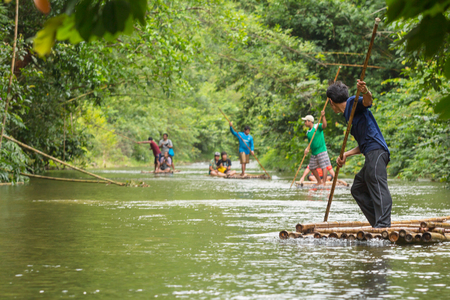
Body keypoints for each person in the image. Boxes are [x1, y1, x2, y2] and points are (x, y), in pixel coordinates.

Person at [327, 80, 392, 228]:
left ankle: (383, 226)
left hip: (377, 152)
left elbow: (368, 102)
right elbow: (363, 145)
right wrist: (346, 154)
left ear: (331, 101)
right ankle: (377, 223)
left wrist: (364, 91)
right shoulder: (348, 114)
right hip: (370, 152)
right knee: (357, 188)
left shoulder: (352, 102)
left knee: (378, 185)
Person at [301, 111, 331, 185]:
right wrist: (307, 149)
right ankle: (319, 181)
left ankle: (323, 182)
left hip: (321, 150)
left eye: (305, 121)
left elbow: (324, 126)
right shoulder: (308, 132)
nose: (304, 123)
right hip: (314, 152)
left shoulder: (317, 126)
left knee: (324, 166)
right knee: (311, 167)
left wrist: (323, 116)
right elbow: (310, 144)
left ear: (310, 121)